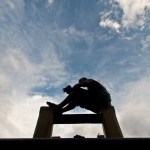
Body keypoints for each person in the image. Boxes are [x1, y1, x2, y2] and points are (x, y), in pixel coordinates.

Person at [46, 77, 112, 114]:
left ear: (85, 79)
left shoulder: (91, 81)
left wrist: (73, 89)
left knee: (77, 92)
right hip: (98, 107)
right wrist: (72, 92)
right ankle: (61, 111)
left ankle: (59, 107)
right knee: (77, 100)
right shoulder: (91, 91)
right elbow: (78, 94)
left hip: (102, 99)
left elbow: (82, 84)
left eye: (80, 81)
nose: (80, 82)